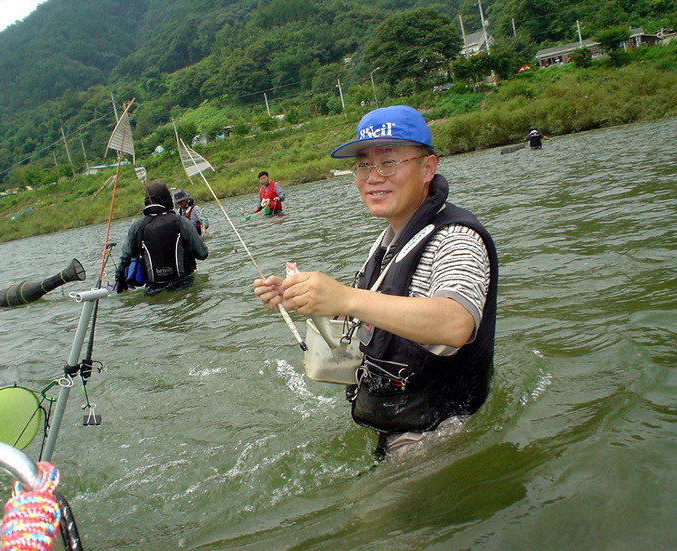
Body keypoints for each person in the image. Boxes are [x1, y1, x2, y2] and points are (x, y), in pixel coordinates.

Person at [253, 105, 498, 459]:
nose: (372, 177)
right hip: (397, 415)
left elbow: (456, 323)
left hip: (436, 431)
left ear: (428, 167)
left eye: (388, 162)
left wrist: (347, 298)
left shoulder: (456, 238)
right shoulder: (391, 238)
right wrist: (307, 299)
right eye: (363, 165)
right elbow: (377, 315)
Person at [115, 181, 208, 293]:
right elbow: (202, 254)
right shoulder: (181, 222)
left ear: (147, 201)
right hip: (185, 285)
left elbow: (125, 260)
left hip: (153, 291)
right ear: (168, 199)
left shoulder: (137, 227)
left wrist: (120, 283)